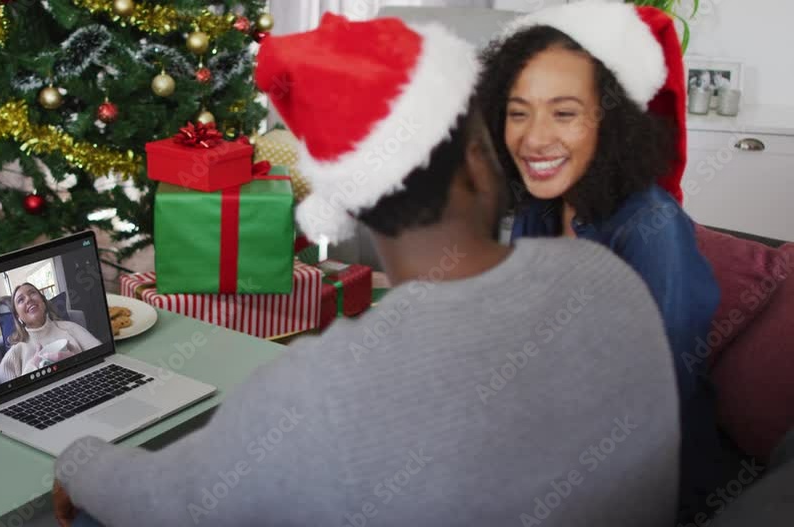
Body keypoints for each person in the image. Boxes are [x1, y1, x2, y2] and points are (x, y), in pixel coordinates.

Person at [53, 13, 681, 526]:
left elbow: (167, 503)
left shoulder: (316, 392)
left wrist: (77, 461)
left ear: (350, 207)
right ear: (477, 161)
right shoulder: (607, 280)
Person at [476, 1, 728, 519]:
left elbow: (658, 405)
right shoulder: (540, 210)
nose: (534, 138)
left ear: (610, 122)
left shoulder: (650, 227)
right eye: (518, 112)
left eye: (564, 113)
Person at [0, 282, 101, 382]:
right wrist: (34, 366)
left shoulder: (71, 328)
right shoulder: (15, 354)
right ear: (17, 316)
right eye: (20, 300)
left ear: (43, 302)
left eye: (32, 293)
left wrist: (77, 360)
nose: (28, 299)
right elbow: (12, 397)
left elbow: (102, 357)